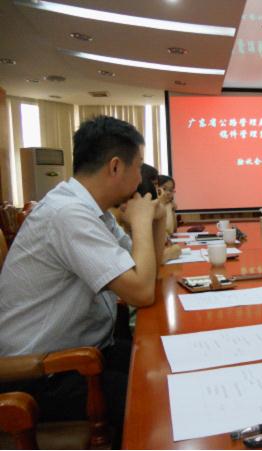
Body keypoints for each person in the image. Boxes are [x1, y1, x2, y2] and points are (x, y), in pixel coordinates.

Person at [0, 115, 166, 446]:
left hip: (87, 351)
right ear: (116, 166)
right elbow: (142, 292)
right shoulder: (68, 214)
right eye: (138, 167)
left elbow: (146, 268)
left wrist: (156, 219)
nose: (141, 179)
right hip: (41, 373)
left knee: (163, 360)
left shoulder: (93, 211)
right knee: (157, 399)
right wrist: (141, 222)